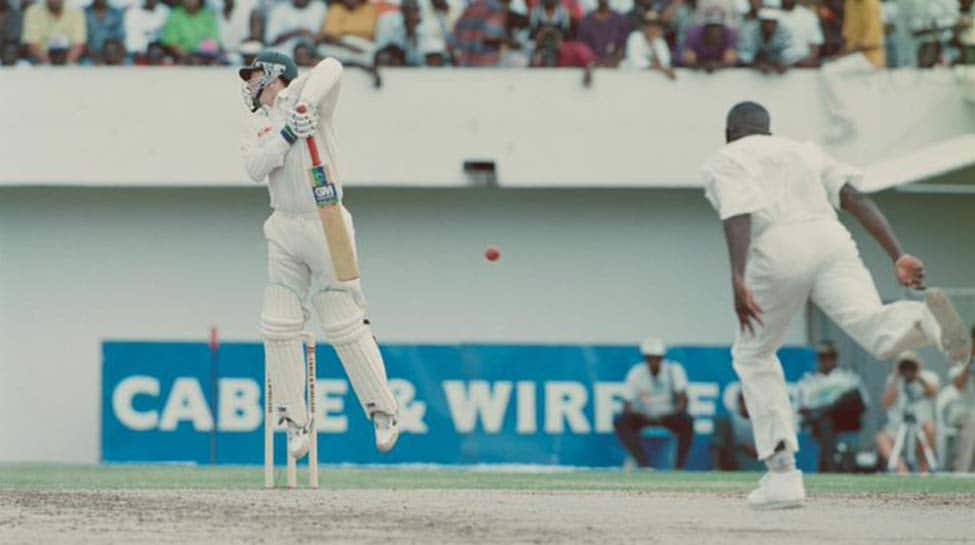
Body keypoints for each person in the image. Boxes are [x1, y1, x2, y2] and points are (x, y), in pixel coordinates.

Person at [702, 101, 970, 509]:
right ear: (769, 131)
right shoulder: (802, 151)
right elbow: (854, 197)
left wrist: (738, 277)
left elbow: (737, 212)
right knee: (876, 329)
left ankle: (783, 474)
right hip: (831, 240)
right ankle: (927, 321)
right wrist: (897, 255)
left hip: (778, 247)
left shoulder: (726, 158)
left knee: (754, 354)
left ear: (729, 133)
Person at [238, 51, 400, 462]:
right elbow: (256, 168)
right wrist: (288, 134)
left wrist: (305, 106)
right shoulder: (259, 123)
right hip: (284, 224)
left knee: (342, 320)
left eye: (257, 75)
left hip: (325, 220)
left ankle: (383, 411)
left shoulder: (308, 102)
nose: (251, 83)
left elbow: (332, 66)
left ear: (276, 76)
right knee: (277, 324)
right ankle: (295, 421)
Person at [613, 337, 694, 469]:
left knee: (687, 420)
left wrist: (673, 413)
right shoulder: (636, 373)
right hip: (644, 416)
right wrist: (639, 413)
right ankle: (644, 463)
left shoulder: (674, 370)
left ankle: (679, 467)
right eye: (650, 358)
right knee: (621, 420)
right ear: (645, 358)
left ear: (662, 358)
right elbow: (626, 404)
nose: (653, 361)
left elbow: (683, 400)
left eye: (657, 357)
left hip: (668, 416)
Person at [796, 341, 867, 472]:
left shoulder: (847, 376)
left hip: (846, 418)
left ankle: (830, 465)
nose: (826, 360)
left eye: (830, 356)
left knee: (849, 396)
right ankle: (831, 467)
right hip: (819, 423)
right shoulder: (808, 381)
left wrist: (829, 407)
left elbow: (861, 402)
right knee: (824, 421)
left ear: (835, 358)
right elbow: (803, 409)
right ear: (818, 359)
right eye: (823, 357)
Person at [874, 351, 940, 474]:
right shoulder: (893, 380)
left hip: (921, 424)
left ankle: (923, 471)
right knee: (881, 438)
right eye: (905, 366)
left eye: (911, 365)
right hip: (898, 425)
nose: (908, 369)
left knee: (930, 429)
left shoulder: (929, 377)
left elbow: (933, 393)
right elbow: (885, 403)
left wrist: (918, 376)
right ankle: (901, 470)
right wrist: (896, 376)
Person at [710, 388, 764, 471]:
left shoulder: (765, 422)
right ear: (740, 402)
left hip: (761, 469)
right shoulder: (727, 422)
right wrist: (717, 468)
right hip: (733, 468)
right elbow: (716, 445)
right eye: (746, 401)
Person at [945, 326, 975, 472]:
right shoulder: (960, 357)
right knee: (972, 422)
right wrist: (971, 358)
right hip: (963, 412)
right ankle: (961, 472)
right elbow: (959, 384)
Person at [21, 0, 86, 64]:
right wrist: (50, 65)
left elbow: (78, 45)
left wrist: (65, 64)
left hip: (70, 62)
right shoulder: (32, 11)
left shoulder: (76, 11)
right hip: (39, 62)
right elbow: (32, 45)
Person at [452, 0, 507, 66]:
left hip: (465, 64)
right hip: (484, 65)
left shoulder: (470, 8)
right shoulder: (496, 8)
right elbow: (493, 35)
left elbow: (455, 35)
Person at [737, 7, 791, 73]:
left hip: (775, 68)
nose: (769, 25)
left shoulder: (783, 32)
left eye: (772, 22)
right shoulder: (751, 31)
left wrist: (781, 62)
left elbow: (788, 52)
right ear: (761, 22)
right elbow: (745, 54)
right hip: (753, 70)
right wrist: (756, 63)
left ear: (776, 23)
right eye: (766, 22)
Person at [623, 9, 674, 77]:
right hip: (633, 78)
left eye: (655, 24)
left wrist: (652, 43)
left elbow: (665, 62)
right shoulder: (635, 37)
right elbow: (634, 60)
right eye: (648, 23)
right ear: (643, 25)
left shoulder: (660, 41)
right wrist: (654, 66)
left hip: (653, 80)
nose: (651, 27)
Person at [577, 0, 628, 66]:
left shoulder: (620, 20)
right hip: (591, 67)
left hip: (615, 67)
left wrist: (612, 62)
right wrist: (593, 62)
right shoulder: (586, 21)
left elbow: (622, 47)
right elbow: (581, 47)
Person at [778, 0, 822, 67]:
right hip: (776, 68)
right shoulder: (770, 15)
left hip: (802, 67)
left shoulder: (808, 16)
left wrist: (809, 60)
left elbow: (815, 46)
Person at [842, 0, 885, 68]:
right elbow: (848, 30)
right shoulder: (850, 3)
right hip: (853, 55)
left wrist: (853, 49)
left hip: (870, 57)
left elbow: (872, 36)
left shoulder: (871, 3)